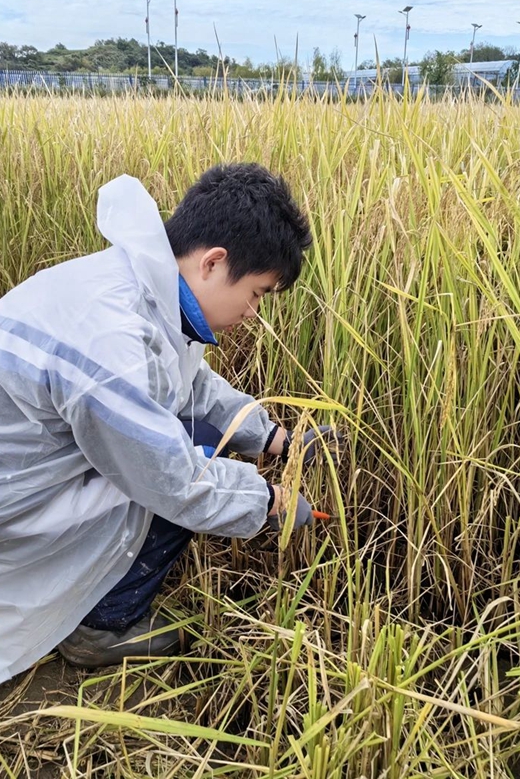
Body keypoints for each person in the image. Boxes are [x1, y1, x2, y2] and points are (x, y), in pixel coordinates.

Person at [0, 163, 337, 681]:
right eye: (257, 293)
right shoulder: (112, 340)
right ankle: (101, 627)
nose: (254, 312)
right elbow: (172, 481)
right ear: (214, 262)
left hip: (39, 462)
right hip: (17, 499)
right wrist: (269, 501)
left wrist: (274, 439)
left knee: (200, 437)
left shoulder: (143, 287)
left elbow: (187, 384)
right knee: (189, 466)